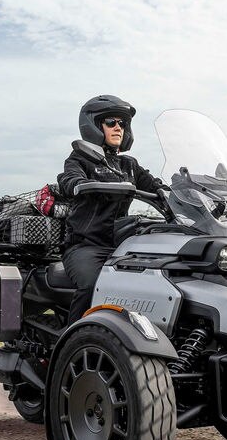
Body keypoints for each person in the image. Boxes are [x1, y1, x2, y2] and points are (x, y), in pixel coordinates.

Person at [57, 95, 167, 324]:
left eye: (123, 124)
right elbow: (68, 179)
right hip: (86, 247)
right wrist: (77, 184)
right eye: (111, 123)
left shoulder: (129, 165)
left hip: (121, 246)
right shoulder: (80, 158)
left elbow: (155, 185)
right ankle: (70, 346)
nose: (119, 128)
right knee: (91, 286)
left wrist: (181, 191)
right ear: (95, 126)